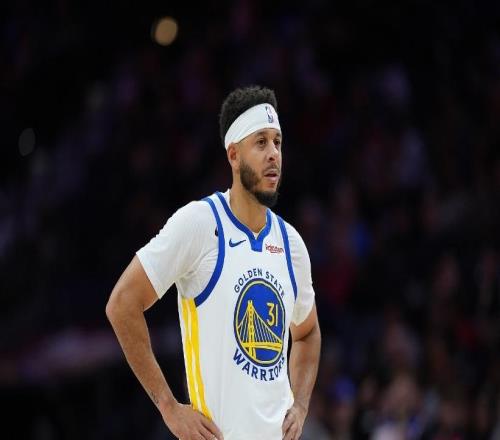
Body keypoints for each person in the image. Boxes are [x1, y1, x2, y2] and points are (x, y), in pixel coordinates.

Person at [106, 85, 321, 440]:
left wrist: (300, 405)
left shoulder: (291, 244)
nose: (274, 154)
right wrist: (168, 406)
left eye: (278, 142)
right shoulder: (200, 224)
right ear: (233, 155)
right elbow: (122, 304)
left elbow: (308, 332)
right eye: (261, 142)